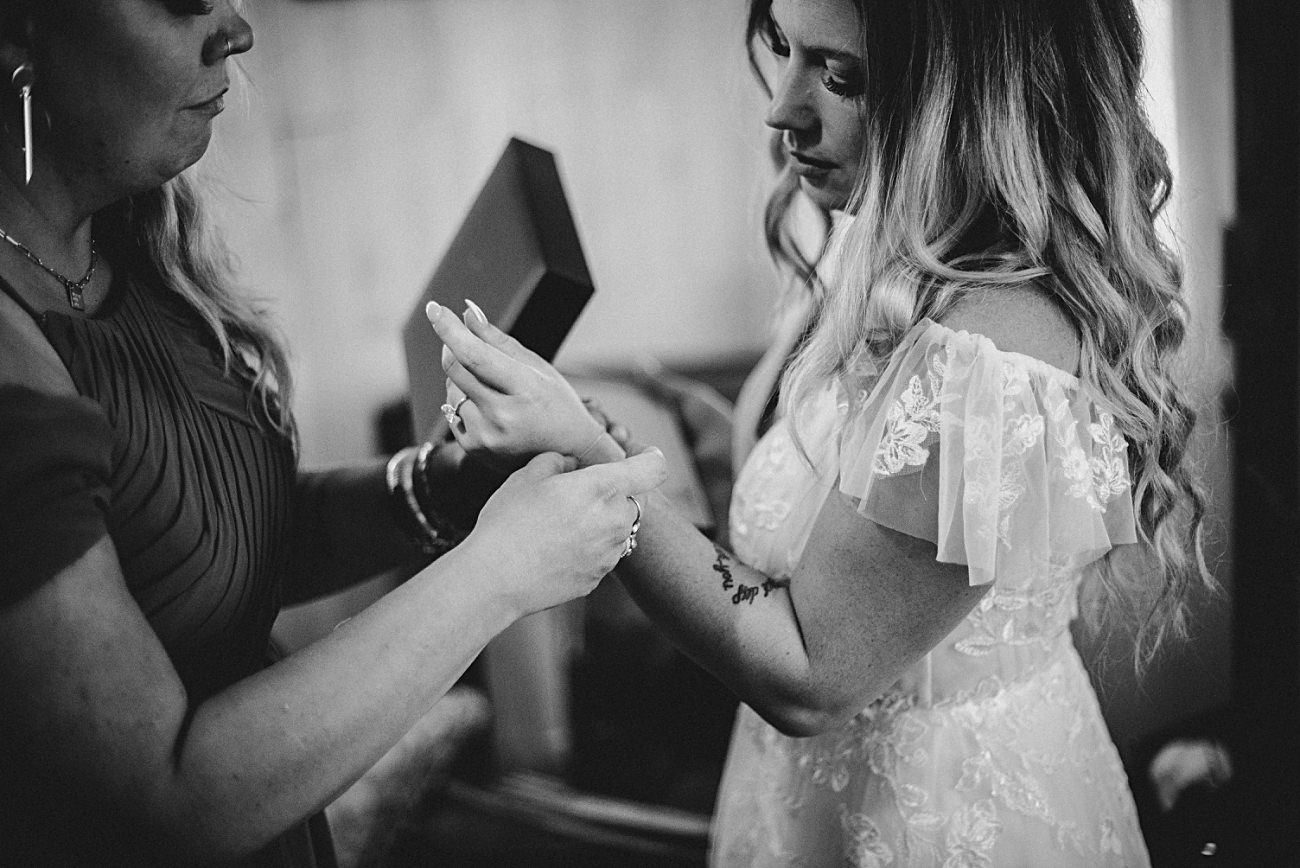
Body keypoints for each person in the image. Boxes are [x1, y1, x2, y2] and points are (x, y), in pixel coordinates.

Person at [427, 0, 1213, 864]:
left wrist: (588, 456)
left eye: (841, 76)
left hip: (939, 823)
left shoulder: (991, 354)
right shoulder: (895, 267)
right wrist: (598, 431)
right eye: (783, 49)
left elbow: (809, 674)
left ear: (977, 101)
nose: (782, 108)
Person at [0, 2, 665, 865]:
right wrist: (500, 572)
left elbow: (214, 543)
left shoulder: (126, 239)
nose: (237, 30)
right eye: (180, 2)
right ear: (20, 34)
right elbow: (162, 801)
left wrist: (447, 487)